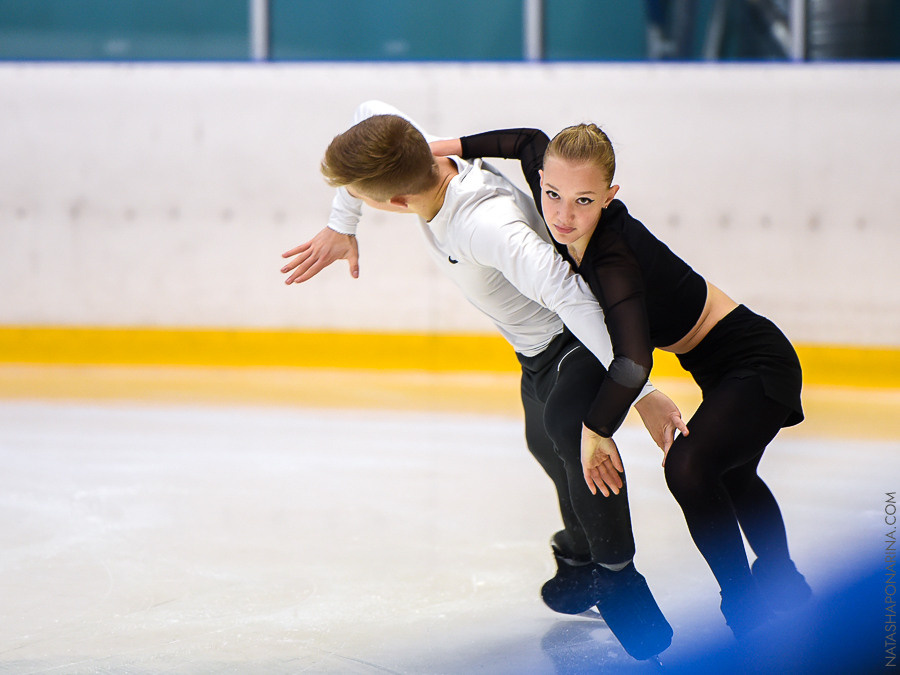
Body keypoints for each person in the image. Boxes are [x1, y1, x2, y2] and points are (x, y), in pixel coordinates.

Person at [281, 101, 682, 660]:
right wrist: (339, 223)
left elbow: (569, 294)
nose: (357, 202)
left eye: (362, 200)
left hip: (574, 337)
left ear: (394, 204)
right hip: (533, 351)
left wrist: (640, 393)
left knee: (571, 437)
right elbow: (367, 116)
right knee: (543, 443)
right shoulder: (404, 138)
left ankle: (617, 578)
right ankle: (582, 553)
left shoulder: (484, 225)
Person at [436, 126, 811, 638]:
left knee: (690, 467)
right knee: (733, 476)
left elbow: (632, 363)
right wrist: (439, 148)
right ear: (542, 179)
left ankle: (743, 601)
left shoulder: (612, 259)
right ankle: (784, 579)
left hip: (759, 363)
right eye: (552, 195)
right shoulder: (558, 191)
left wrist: (595, 429)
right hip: (723, 366)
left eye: (584, 201)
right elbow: (526, 140)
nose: (563, 215)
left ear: (610, 198)